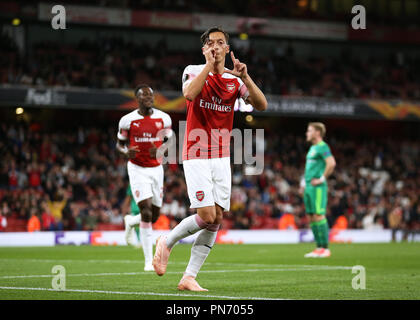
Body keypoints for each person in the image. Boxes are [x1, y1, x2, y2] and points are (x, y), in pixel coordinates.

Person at [152, 26, 267, 291]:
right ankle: (166, 242)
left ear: (228, 49)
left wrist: (246, 78)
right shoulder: (193, 70)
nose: (215, 46)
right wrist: (208, 65)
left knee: (216, 219)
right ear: (204, 49)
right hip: (196, 151)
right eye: (210, 43)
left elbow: (261, 105)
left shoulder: (235, 80)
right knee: (205, 214)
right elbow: (189, 95)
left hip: (222, 155)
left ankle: (189, 277)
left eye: (220, 43)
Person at [116, 84, 173, 271]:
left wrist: (161, 150)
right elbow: (119, 144)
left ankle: (131, 221)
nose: (149, 98)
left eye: (151, 95)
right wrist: (126, 153)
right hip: (137, 169)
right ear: (137, 99)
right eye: (145, 96)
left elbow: (170, 141)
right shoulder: (127, 120)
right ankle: (149, 261)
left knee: (154, 215)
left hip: (156, 169)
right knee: (146, 212)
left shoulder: (163, 118)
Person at [300, 122, 336, 258]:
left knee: (319, 215)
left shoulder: (323, 146)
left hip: (318, 187)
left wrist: (321, 179)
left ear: (317, 133)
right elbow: (309, 168)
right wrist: (303, 183)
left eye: (309, 131)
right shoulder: (313, 148)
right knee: (310, 216)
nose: (307, 133)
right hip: (308, 186)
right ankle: (318, 248)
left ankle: (325, 248)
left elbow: (331, 163)